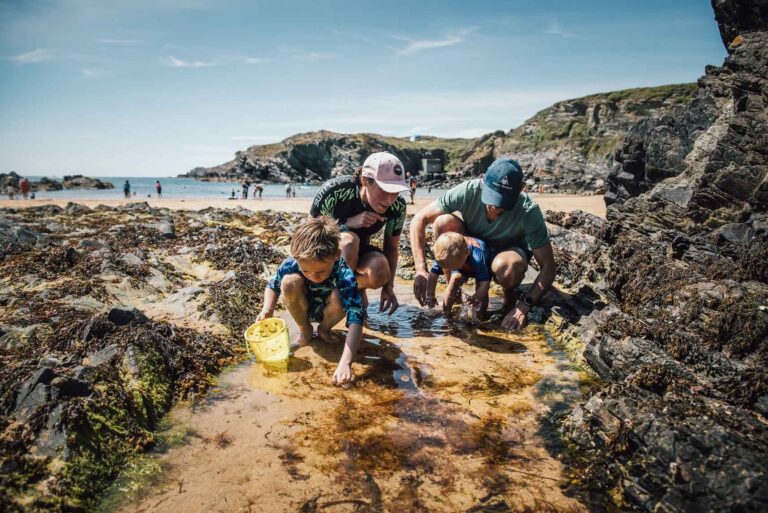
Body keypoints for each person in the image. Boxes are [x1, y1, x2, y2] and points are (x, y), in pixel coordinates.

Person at [410, 158, 556, 331]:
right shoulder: (469, 190)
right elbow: (419, 219)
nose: (494, 206)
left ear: (521, 189)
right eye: (491, 197)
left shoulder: (528, 211)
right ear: (483, 179)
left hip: (505, 254)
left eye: (502, 201)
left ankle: (508, 298)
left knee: (509, 267)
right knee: (443, 222)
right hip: (470, 251)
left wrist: (524, 306)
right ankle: (454, 283)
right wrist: (421, 269)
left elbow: (548, 267)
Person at [257, 216, 364, 385]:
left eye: (321, 271)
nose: (314, 277)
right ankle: (304, 329)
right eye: (306, 271)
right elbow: (273, 286)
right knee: (288, 282)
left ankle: (324, 329)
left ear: (337, 255)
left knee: (344, 295)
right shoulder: (291, 263)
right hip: (303, 307)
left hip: (330, 309)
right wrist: (267, 309)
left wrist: (345, 363)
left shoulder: (344, 274)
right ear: (295, 257)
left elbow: (356, 319)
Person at [310, 152, 410, 314]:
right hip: (329, 253)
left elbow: (391, 247)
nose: (390, 200)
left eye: (396, 191)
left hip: (361, 253)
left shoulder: (397, 206)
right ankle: (334, 293)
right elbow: (311, 235)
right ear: (365, 180)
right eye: (385, 190)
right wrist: (346, 223)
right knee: (349, 241)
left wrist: (388, 286)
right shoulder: (335, 191)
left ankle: (352, 289)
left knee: (380, 271)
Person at [426, 232, 493, 318]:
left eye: (452, 267)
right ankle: (446, 313)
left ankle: (480, 315)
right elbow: (433, 275)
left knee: (481, 292)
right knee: (454, 280)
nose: (449, 269)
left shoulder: (478, 257)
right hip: (462, 265)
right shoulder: (444, 255)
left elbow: (485, 284)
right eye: (447, 267)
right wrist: (430, 295)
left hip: (483, 266)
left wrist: (477, 297)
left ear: (467, 253)